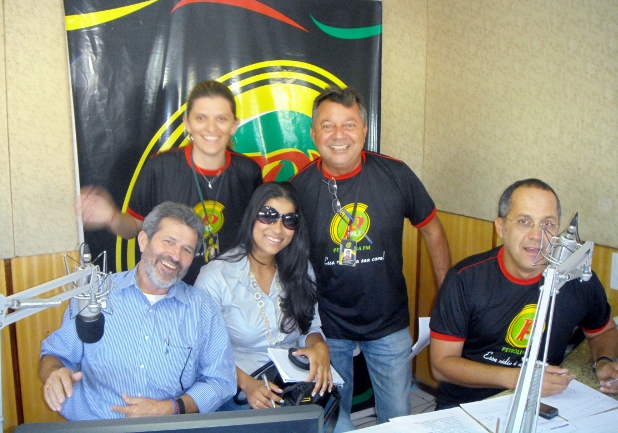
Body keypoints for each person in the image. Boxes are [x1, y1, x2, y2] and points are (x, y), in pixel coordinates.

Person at [290, 86, 451, 430]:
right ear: (313, 133)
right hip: (327, 327)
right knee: (334, 419)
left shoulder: (396, 174)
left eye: (349, 124)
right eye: (328, 126)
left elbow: (433, 231)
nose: (339, 135)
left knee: (399, 417)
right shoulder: (297, 188)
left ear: (364, 130)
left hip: (388, 322)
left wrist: (447, 299)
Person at [429, 178, 618, 409]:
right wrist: (520, 379)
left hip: (542, 401)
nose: (537, 235)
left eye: (548, 224)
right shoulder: (465, 279)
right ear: (501, 227)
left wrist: (604, 361)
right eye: (524, 221)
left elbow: (603, 330)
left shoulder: (576, 277)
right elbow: (441, 365)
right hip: (468, 403)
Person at [39, 202, 237, 421]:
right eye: (168, 241)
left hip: (168, 426)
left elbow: (221, 382)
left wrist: (170, 408)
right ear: (143, 241)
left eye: (187, 250)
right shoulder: (95, 294)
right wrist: (54, 373)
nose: (175, 255)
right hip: (96, 425)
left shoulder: (203, 309)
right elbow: (55, 354)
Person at [80, 80, 263, 285]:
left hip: (230, 288)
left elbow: (258, 235)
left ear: (234, 124)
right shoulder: (160, 168)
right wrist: (111, 217)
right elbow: (134, 228)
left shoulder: (249, 172)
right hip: (172, 288)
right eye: (201, 118)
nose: (211, 128)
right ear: (187, 123)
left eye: (221, 118)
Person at [195, 182, 333, 410]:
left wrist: (318, 345)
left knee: (339, 424)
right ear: (252, 217)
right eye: (268, 216)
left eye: (289, 220)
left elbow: (310, 327)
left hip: (295, 385)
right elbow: (202, 352)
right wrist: (247, 384)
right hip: (239, 388)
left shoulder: (301, 268)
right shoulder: (215, 277)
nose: (278, 229)